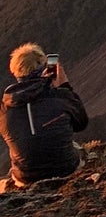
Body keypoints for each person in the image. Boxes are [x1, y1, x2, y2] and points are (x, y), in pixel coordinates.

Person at [3, 46, 88, 189]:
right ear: (45, 69)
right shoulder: (60, 96)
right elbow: (81, 123)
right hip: (65, 170)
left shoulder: (5, 107)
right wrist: (64, 87)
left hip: (25, 178)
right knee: (76, 147)